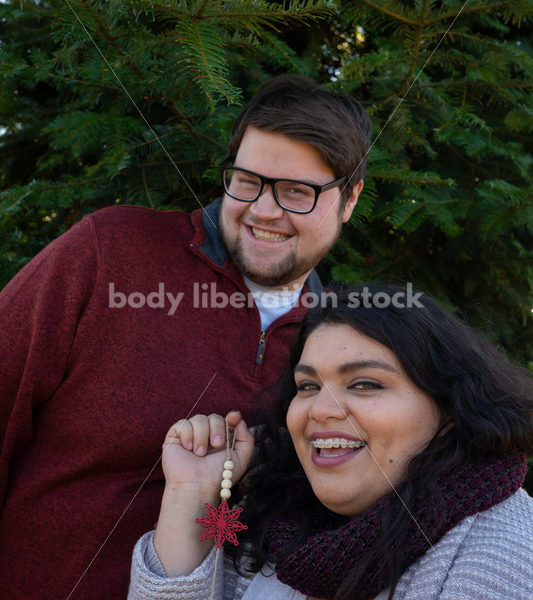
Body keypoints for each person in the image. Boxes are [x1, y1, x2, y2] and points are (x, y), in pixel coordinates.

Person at [0, 76, 371, 599]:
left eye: (296, 193)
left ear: (349, 199)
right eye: (247, 181)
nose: (264, 211)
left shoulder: (340, 344)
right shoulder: (110, 251)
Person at [128, 283, 533, 600]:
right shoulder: (272, 524)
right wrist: (189, 495)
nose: (320, 409)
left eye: (364, 384)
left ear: (448, 410)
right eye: (307, 386)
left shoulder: (508, 553)